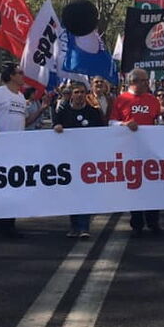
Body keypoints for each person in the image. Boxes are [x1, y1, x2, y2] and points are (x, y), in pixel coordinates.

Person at [111, 67, 163, 237]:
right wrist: (123, 125)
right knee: (135, 186)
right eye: (144, 80)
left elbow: (160, 123)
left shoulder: (153, 100)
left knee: (153, 187)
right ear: (133, 82)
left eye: (147, 80)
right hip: (129, 151)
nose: (147, 83)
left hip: (150, 151)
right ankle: (137, 223)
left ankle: (153, 221)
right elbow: (111, 123)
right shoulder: (120, 100)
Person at [0, 64, 29, 238]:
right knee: (1, 184)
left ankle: (10, 222)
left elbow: (25, 120)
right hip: (0, 147)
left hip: (17, 147)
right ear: (11, 76)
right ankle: (1, 222)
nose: (23, 75)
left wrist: (41, 109)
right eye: (20, 73)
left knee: (14, 184)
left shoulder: (21, 96)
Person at [54, 80, 104, 238]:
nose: (80, 95)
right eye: (77, 92)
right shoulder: (62, 112)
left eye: (83, 92)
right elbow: (54, 128)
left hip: (87, 159)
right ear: (71, 94)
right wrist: (56, 128)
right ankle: (74, 226)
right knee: (72, 193)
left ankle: (84, 227)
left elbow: (101, 134)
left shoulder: (93, 112)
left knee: (85, 192)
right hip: (68, 159)